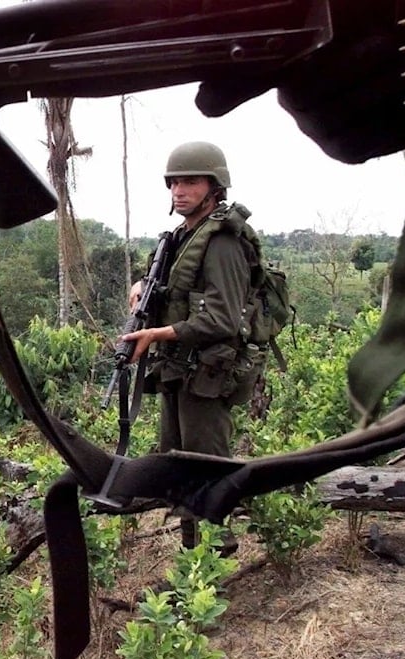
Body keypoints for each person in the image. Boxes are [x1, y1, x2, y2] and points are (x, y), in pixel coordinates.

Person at [121, 141, 267, 553]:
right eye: (174, 183)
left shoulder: (222, 241)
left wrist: (156, 336)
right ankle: (192, 568)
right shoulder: (184, 236)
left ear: (214, 185)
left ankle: (217, 563)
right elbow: (175, 291)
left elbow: (222, 319)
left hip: (207, 372)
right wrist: (140, 288)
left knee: (208, 469)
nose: (179, 191)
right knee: (177, 467)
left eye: (190, 181)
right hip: (178, 369)